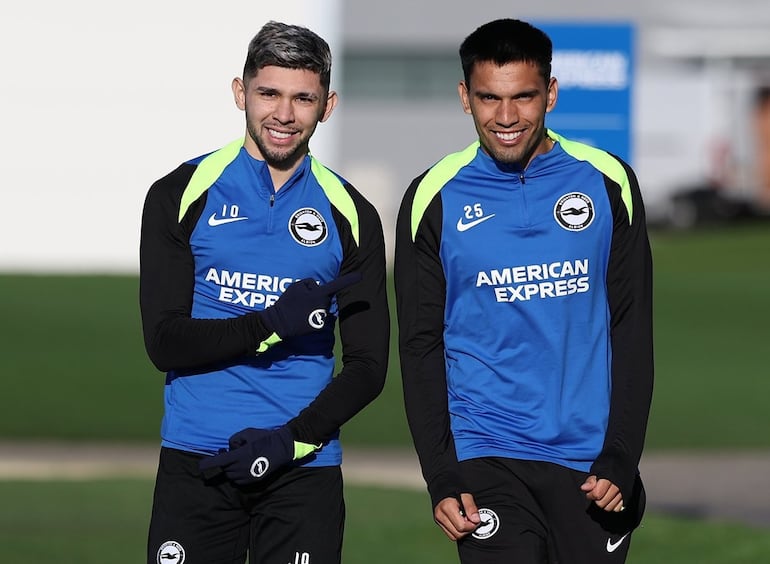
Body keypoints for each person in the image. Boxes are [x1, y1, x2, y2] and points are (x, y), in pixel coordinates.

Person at [394, 18, 653, 564]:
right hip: (485, 455)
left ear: (551, 94)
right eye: (489, 98)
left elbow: (631, 328)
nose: (506, 117)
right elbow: (419, 346)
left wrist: (621, 455)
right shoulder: (431, 198)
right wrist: (441, 474)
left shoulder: (609, 183)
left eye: (524, 97)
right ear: (465, 97)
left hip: (588, 465)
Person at [139, 20, 389, 564]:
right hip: (196, 460)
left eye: (304, 98)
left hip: (303, 470)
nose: (284, 113)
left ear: (328, 105)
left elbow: (369, 366)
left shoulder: (353, 216)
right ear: (239, 92)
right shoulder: (179, 194)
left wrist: (293, 441)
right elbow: (164, 341)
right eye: (268, 93)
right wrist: (270, 324)